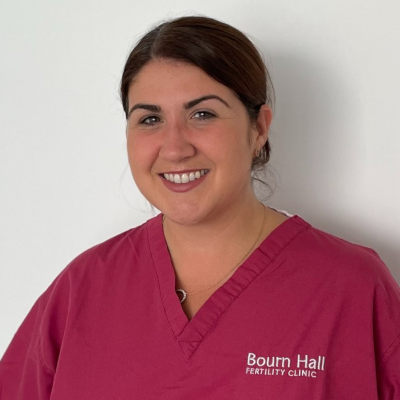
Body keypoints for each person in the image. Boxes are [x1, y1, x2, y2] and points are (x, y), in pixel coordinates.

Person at [0, 15, 399, 399]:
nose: (175, 148)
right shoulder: (83, 289)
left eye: (202, 114)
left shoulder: (351, 289)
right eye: (150, 119)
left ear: (259, 128)